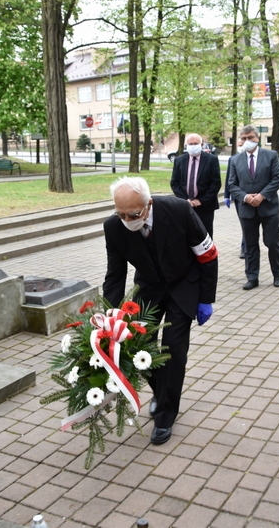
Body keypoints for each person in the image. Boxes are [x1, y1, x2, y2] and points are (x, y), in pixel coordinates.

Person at [103, 176, 218, 445]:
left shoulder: (178, 210)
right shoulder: (114, 227)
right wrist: (111, 315)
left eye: (132, 214)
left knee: (173, 351)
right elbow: (115, 274)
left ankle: (166, 415)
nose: (126, 219)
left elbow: (208, 254)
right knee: (138, 346)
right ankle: (161, 392)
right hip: (149, 289)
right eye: (120, 213)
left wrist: (205, 298)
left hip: (183, 285)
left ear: (148, 204)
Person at [227, 125, 279, 289]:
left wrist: (262, 195)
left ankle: (277, 274)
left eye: (250, 137)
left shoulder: (271, 156)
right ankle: (252, 277)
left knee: (272, 242)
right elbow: (232, 184)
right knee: (250, 246)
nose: (247, 141)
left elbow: (277, 179)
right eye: (244, 138)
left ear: (257, 138)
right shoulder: (235, 160)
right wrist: (245, 197)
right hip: (247, 210)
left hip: (269, 208)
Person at [170, 133, 222, 237]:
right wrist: (185, 200)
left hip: (205, 207)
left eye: (196, 143)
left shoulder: (211, 160)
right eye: (190, 144)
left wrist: (201, 201)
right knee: (186, 234)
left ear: (201, 144)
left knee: (205, 235)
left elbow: (216, 183)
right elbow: (174, 183)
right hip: (185, 206)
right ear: (186, 145)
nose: (193, 146)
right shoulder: (179, 160)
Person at [223, 157, 246, 259]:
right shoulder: (233, 159)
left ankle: (247, 247)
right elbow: (229, 177)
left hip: (255, 195)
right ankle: (245, 247)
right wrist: (227, 195)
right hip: (238, 197)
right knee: (244, 223)